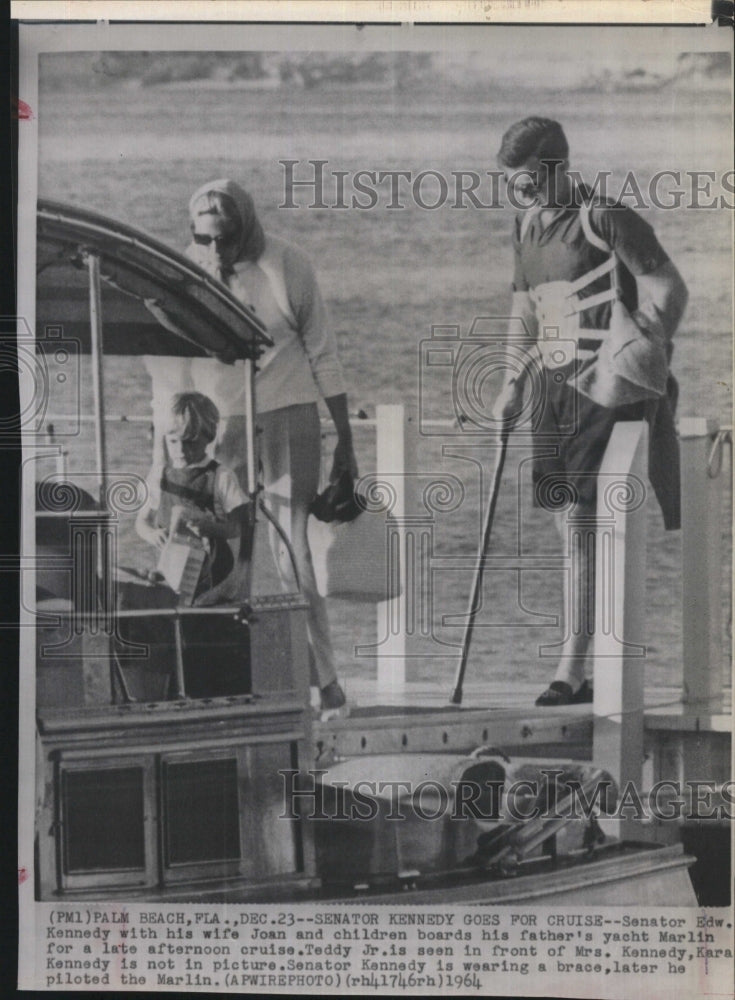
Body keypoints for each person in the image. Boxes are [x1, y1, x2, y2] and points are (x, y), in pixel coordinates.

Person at [493, 117, 688, 706]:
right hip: (552, 392)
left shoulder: (603, 217)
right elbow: (523, 314)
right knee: (567, 524)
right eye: (514, 185)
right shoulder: (526, 226)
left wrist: (641, 352)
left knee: (585, 520)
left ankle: (571, 668)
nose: (520, 193)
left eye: (528, 182)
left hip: (607, 388)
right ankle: (591, 664)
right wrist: (508, 382)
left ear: (556, 166)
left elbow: (670, 290)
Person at [184, 178, 357, 715]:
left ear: (247, 227)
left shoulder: (288, 264)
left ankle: (325, 681)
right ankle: (228, 678)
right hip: (223, 423)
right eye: (205, 238)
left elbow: (322, 353)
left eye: (227, 238)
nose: (217, 250)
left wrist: (346, 442)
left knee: (292, 549)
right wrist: (165, 445)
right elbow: (170, 366)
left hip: (289, 415)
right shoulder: (188, 269)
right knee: (218, 548)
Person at [135, 391, 248, 598]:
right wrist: (152, 534)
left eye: (191, 443)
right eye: (174, 442)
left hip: (211, 569)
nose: (181, 450)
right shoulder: (160, 475)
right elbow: (141, 523)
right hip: (169, 565)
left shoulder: (221, 475)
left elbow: (237, 528)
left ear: (208, 437)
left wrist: (210, 528)